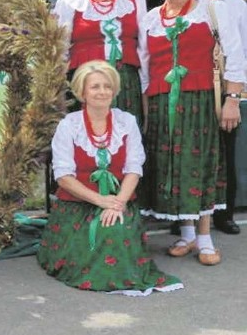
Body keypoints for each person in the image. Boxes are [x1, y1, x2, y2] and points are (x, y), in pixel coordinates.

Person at [38, 60, 182, 295]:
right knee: (96, 239)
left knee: (114, 230)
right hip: (77, 205)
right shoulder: (69, 125)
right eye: (95, 86)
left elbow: (134, 168)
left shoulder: (126, 121)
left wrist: (117, 203)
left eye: (107, 86)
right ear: (82, 92)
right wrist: (100, 200)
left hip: (119, 201)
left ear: (114, 91)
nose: (102, 91)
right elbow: (63, 177)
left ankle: (121, 273)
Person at [139, 0, 246, 266]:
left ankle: (204, 236)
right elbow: (145, 68)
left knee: (199, 165)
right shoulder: (150, 19)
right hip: (161, 103)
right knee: (172, 166)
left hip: (198, 100)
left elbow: (235, 56)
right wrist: (148, 109)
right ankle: (185, 234)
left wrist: (232, 99)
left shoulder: (212, 11)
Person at [53, 0, 147, 123]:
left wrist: (145, 87)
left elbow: (144, 48)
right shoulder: (69, 2)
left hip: (125, 82)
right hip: (85, 82)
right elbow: (59, 52)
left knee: (124, 136)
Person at [190, 0, 247, 235]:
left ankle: (224, 213)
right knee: (192, 152)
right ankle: (186, 215)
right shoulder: (181, 3)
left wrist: (233, 96)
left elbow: (243, 50)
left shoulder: (236, 5)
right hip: (191, 86)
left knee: (226, 150)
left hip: (225, 84)